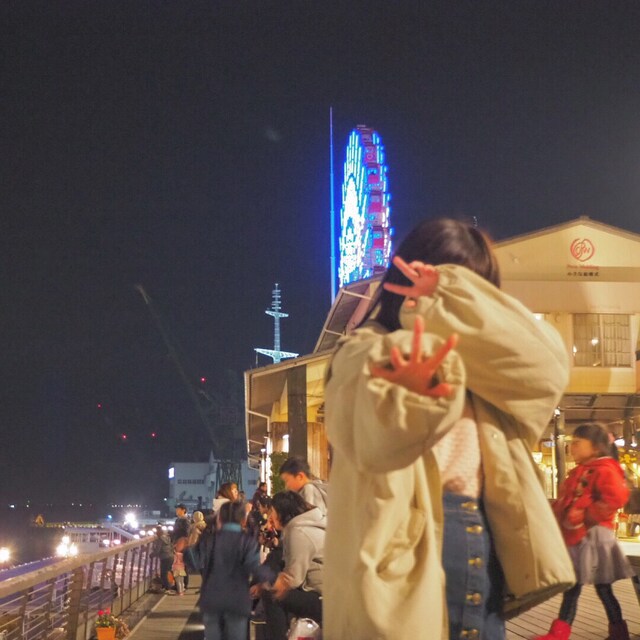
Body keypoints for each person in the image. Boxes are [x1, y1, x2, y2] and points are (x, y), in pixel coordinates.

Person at [323, 217, 575, 639]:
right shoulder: (365, 348)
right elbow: (372, 432)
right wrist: (414, 389)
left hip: (485, 541)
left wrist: (448, 296)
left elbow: (548, 369)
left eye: (473, 287)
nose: (440, 294)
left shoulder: (488, 372)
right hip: (410, 548)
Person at [535, 423, 634, 640]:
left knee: (597, 588)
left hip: (595, 537)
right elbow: (567, 501)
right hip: (581, 537)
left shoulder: (604, 469)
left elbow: (616, 497)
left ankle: (562, 633)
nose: (572, 447)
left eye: (578, 443)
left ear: (596, 447)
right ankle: (616, 633)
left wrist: (587, 514)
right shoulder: (583, 469)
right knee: (586, 587)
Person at [198, 501, 274, 640]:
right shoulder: (247, 541)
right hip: (237, 599)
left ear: (219, 519)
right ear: (243, 520)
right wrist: (272, 578)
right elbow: (253, 566)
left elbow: (196, 560)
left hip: (212, 598)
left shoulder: (210, 539)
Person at [259, 491, 325, 639]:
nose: (270, 517)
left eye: (272, 512)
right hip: (329, 593)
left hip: (323, 597)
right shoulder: (307, 524)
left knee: (272, 594)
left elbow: (293, 579)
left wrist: (269, 583)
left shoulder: (299, 532)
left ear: (282, 512)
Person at [150, 525, 174, 592]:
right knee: (169, 571)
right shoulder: (167, 538)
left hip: (164, 557)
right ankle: (170, 584)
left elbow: (157, 550)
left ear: (158, 533)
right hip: (170, 556)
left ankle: (166, 587)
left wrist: (151, 555)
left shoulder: (160, 540)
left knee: (163, 573)